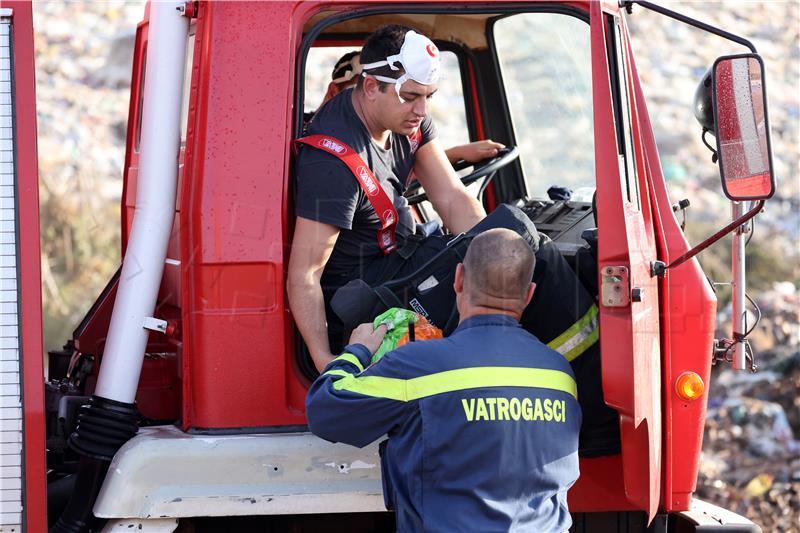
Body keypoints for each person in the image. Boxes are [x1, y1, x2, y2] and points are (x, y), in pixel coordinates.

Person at [306, 229, 581, 533]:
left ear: (459, 278)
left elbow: (325, 409)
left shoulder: (419, 364)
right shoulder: (559, 373)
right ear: (528, 294)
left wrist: (357, 351)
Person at [289, 25, 489, 371]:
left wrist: (499, 250)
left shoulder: (407, 122)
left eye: (429, 96)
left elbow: (453, 198)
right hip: (364, 294)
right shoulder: (333, 164)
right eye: (411, 96)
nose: (422, 110)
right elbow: (305, 275)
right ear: (370, 87)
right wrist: (326, 362)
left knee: (516, 245)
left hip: (400, 258)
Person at [312, 50, 506, 165]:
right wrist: (456, 154)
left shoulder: (396, 131)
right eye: (357, 92)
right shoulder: (315, 140)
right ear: (333, 92)